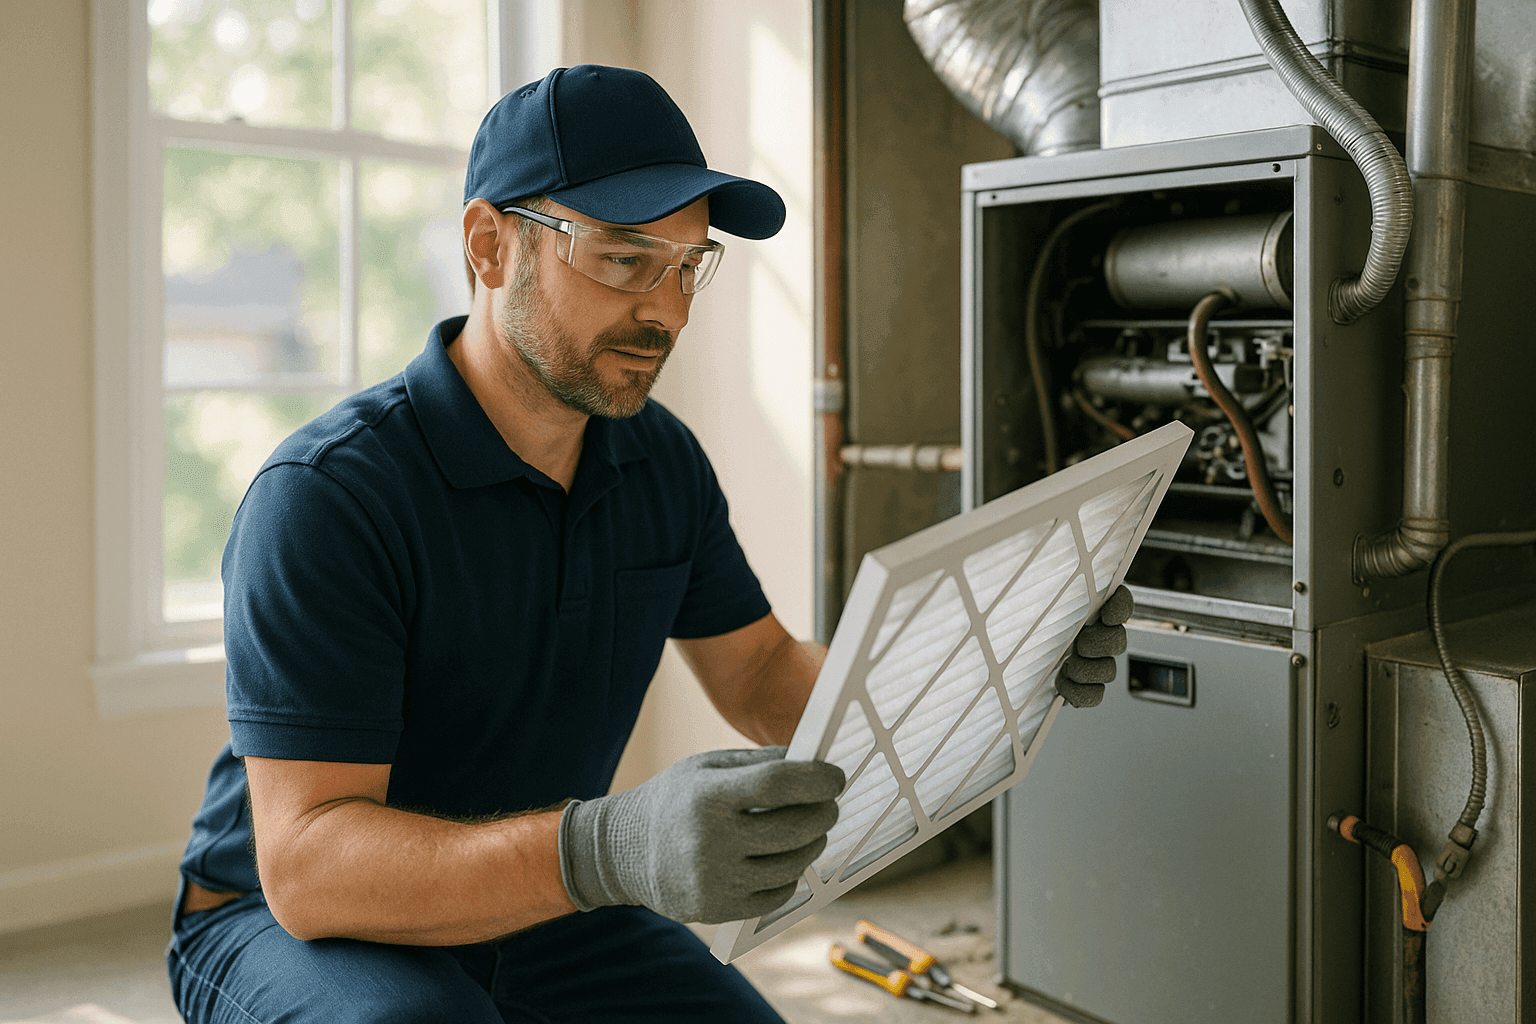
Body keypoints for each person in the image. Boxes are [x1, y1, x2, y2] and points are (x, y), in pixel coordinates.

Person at [165, 64, 1131, 1024]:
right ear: (490, 245)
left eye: (686, 264)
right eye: (624, 257)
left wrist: (989, 666)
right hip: (289, 925)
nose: (666, 310)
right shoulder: (329, 497)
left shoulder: (657, 461)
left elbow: (760, 675)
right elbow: (309, 871)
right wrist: (606, 849)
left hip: (543, 903)